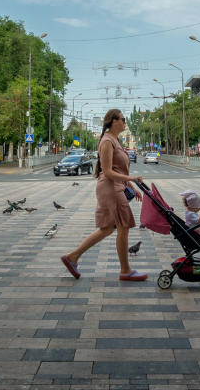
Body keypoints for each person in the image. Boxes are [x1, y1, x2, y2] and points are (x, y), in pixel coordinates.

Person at [62, 109, 146, 281]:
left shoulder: (115, 140)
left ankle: (73, 257)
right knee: (123, 228)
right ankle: (125, 270)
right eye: (123, 119)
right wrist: (131, 178)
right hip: (110, 188)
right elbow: (107, 172)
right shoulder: (107, 141)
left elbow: (118, 169)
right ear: (114, 121)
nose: (125, 122)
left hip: (115, 187)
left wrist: (130, 185)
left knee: (107, 229)